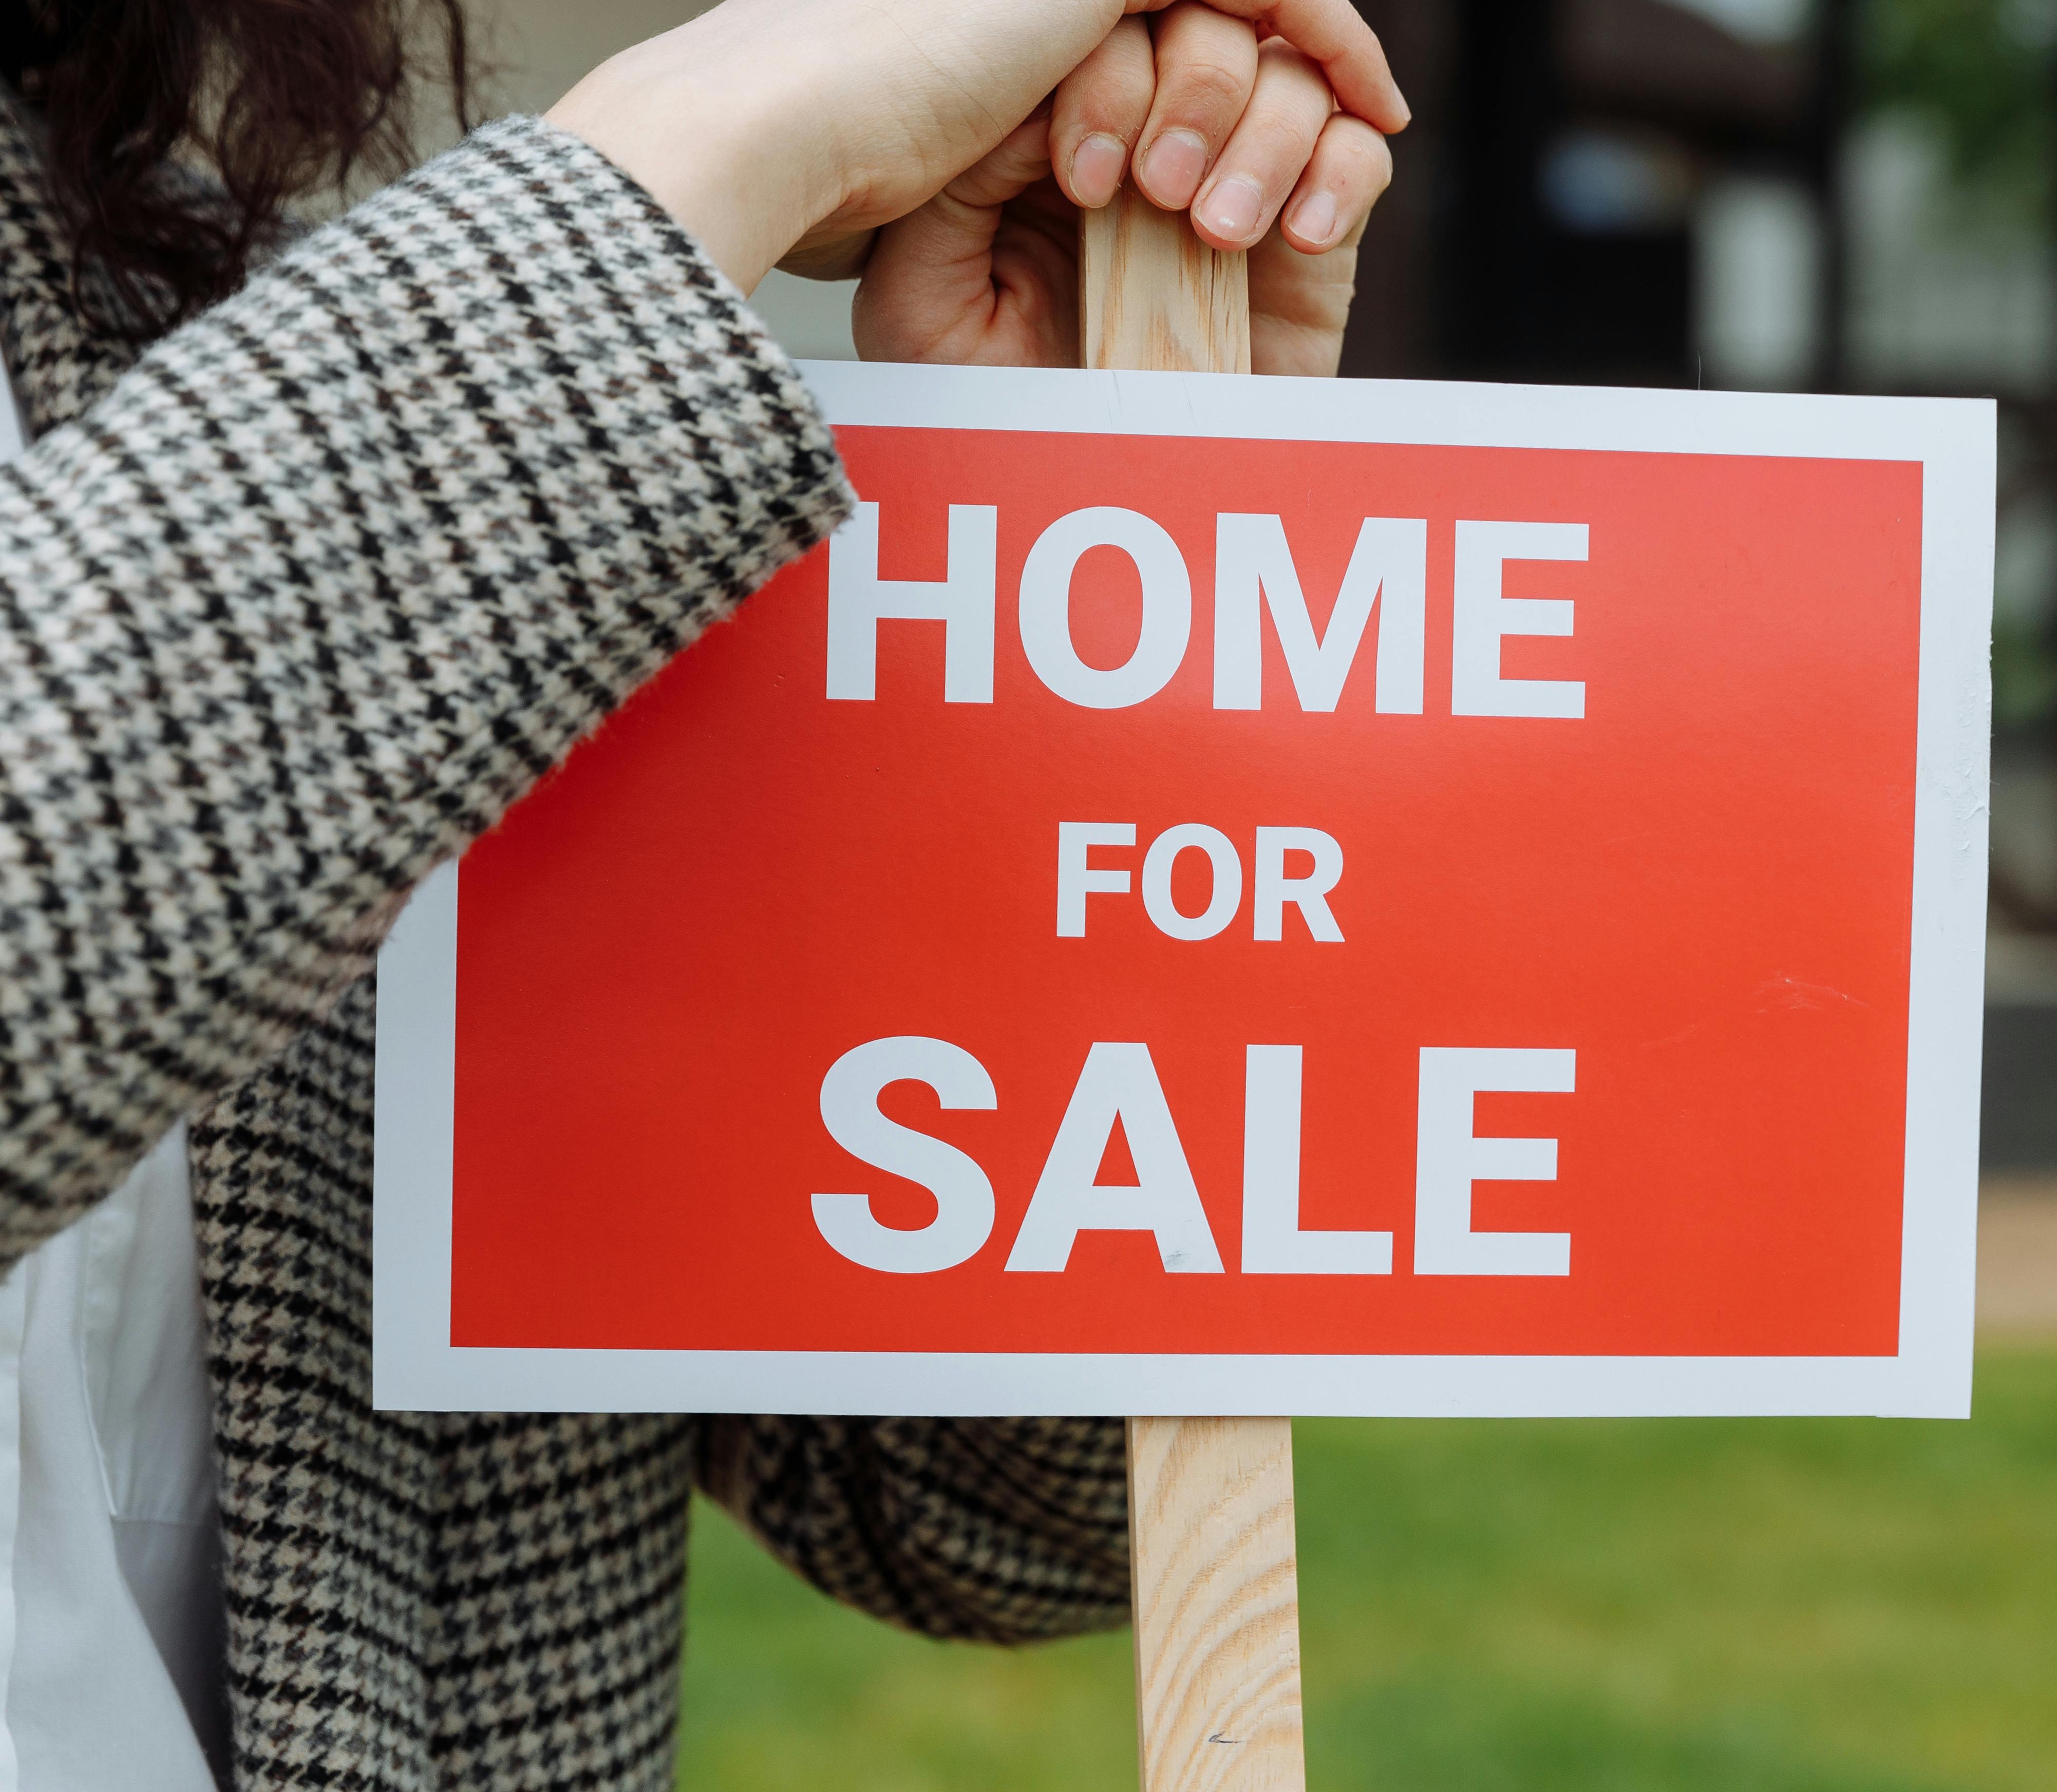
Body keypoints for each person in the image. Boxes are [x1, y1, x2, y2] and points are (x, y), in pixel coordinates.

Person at [0, 0, 1403, 1786]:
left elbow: (965, 1508)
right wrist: (714, 138)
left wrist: (1059, 612)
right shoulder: (443, 347)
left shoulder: (174, 290)